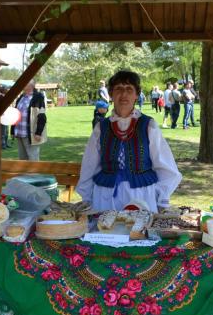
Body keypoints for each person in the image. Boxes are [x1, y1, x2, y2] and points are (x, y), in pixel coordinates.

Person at [76, 70, 182, 212]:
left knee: (139, 233)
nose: (124, 94)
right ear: (111, 94)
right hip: (105, 196)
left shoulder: (148, 125)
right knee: (105, 231)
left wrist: (161, 198)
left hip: (141, 197)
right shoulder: (101, 127)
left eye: (129, 89)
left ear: (137, 95)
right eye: (118, 89)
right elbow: (90, 165)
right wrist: (87, 198)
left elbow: (164, 165)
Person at [13, 80, 47, 161]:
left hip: (31, 135)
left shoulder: (38, 97)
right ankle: (24, 174)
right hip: (19, 133)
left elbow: (42, 116)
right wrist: (13, 130)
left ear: (31, 85)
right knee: (22, 159)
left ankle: (34, 174)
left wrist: (38, 133)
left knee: (33, 159)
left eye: (24, 83)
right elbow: (15, 114)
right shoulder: (21, 97)